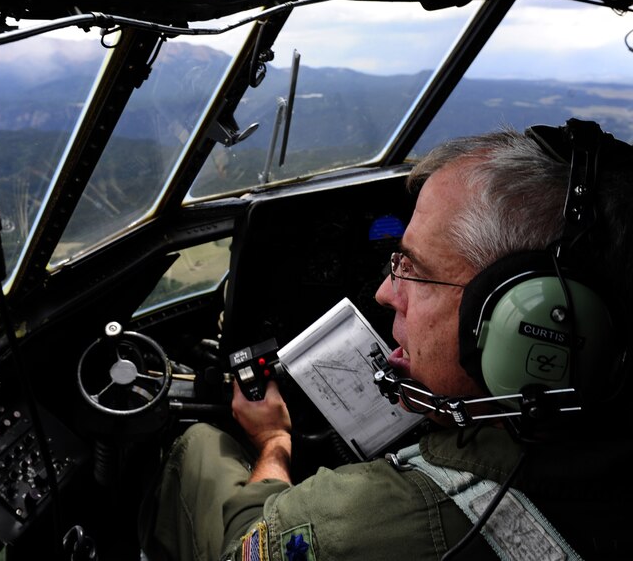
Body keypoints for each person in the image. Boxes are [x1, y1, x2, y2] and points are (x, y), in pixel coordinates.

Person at [138, 119, 633, 560]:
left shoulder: (362, 527)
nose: (383, 292)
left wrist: (274, 443)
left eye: (414, 270)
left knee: (202, 444)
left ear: (529, 323)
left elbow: (243, 545)